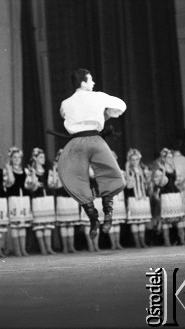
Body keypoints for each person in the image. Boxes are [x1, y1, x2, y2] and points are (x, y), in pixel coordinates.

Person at [57, 68, 127, 240]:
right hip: (95, 140)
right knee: (109, 173)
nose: (93, 83)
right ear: (83, 83)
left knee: (72, 176)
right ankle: (108, 214)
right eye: (91, 80)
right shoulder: (98, 96)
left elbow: (64, 115)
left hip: (76, 143)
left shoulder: (65, 102)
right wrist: (105, 115)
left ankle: (93, 217)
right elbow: (121, 105)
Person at [27, 148, 57, 255]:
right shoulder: (31, 171)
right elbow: (32, 188)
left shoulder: (47, 171)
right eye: (41, 157)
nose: (43, 159)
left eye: (43, 157)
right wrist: (34, 176)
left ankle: (48, 247)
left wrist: (54, 170)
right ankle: (43, 248)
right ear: (35, 159)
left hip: (47, 199)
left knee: (48, 224)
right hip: (37, 199)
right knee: (39, 224)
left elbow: (52, 184)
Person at [49, 149, 80, 254]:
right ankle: (65, 247)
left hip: (71, 198)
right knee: (63, 223)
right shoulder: (55, 170)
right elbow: (55, 185)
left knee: (70, 223)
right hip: (61, 198)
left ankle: (71, 246)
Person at [6, 147, 33, 256]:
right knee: (15, 225)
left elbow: (29, 186)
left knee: (22, 225)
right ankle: (17, 250)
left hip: (24, 199)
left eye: (18, 157)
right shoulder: (8, 170)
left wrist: (32, 175)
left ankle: (23, 249)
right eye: (14, 157)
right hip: (14, 198)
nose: (17, 159)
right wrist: (8, 169)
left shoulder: (25, 171)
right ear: (11, 158)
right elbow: (10, 182)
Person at [125, 148, 151, 249]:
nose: (135, 161)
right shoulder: (130, 171)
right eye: (133, 159)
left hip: (142, 197)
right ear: (130, 161)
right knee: (135, 221)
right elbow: (128, 185)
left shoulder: (143, 169)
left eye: (137, 159)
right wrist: (127, 170)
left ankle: (142, 241)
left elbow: (147, 183)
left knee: (142, 221)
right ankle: (137, 243)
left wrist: (147, 177)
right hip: (133, 197)